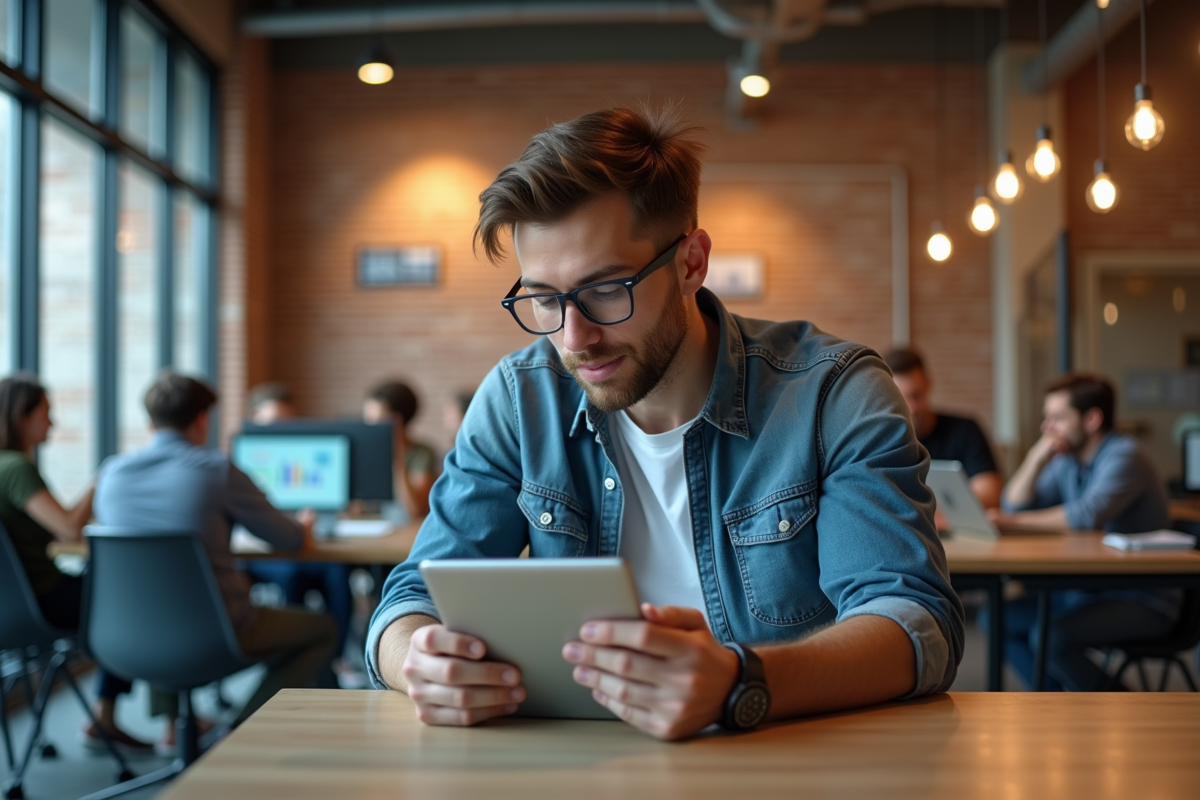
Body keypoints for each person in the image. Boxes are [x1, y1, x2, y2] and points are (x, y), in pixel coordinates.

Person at [365, 106, 963, 740]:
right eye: (543, 297)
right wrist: (417, 660)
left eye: (604, 289)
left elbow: (913, 623)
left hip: (784, 763)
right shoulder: (518, 400)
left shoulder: (832, 394)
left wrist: (740, 683)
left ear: (691, 263)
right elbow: (410, 598)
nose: (575, 338)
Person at [93, 372, 338, 732]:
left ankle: (173, 730)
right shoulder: (216, 470)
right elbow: (289, 540)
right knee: (323, 628)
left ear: (150, 422)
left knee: (163, 601)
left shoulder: (111, 473)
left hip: (123, 636)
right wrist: (304, 525)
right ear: (203, 420)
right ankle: (243, 728)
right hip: (216, 634)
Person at [992, 373, 1176, 690]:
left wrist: (1011, 523)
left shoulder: (1125, 455)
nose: (1046, 428)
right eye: (1046, 418)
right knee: (996, 619)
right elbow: (1014, 505)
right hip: (1091, 588)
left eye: (1057, 418)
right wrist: (1036, 458)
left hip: (1142, 598)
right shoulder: (1069, 460)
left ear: (1092, 419)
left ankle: (1125, 709)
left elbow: (1086, 515)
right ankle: (1057, 704)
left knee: (1052, 637)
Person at [0, 374, 151, 753]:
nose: (52, 424)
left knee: (112, 585)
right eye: (46, 414)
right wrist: (103, 477)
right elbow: (68, 528)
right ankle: (108, 716)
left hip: (10, 607)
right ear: (22, 416)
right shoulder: (15, 468)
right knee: (135, 594)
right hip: (42, 602)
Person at [241, 382, 354, 683]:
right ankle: (293, 658)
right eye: (276, 420)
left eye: (289, 422)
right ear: (253, 417)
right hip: (265, 548)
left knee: (336, 573)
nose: (284, 429)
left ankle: (330, 660)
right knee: (291, 573)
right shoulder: (241, 462)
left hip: (300, 541)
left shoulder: (300, 456)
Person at [883, 348, 1002, 510]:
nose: (911, 408)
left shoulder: (965, 430)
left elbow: (990, 494)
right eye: (901, 399)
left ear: (928, 384)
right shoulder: (880, 440)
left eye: (916, 395)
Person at [362, 380, 438, 520]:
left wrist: (396, 456)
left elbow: (415, 509)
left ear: (397, 421)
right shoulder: (367, 455)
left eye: (377, 421)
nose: (370, 428)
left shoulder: (421, 454)